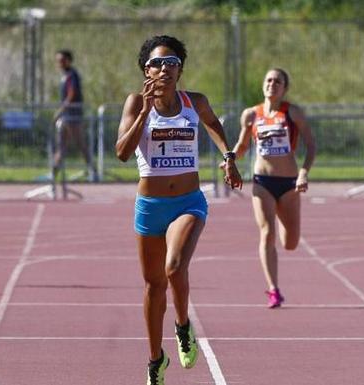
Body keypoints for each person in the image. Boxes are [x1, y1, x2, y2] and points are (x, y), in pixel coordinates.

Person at [115, 35, 242, 385]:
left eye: (171, 62)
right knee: (153, 286)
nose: (164, 69)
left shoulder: (194, 102)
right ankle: (156, 359)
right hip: (150, 205)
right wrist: (143, 112)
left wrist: (228, 157)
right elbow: (123, 153)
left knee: (174, 267)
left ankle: (183, 325)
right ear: (146, 69)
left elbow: (214, 124)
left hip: (188, 201)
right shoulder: (134, 103)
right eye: (157, 63)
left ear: (180, 69)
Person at [230, 68, 315, 308]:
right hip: (262, 182)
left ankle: (282, 217)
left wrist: (303, 173)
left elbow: (311, 145)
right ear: (263, 85)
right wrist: (230, 158)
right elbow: (243, 145)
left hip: (289, 185)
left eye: (277, 81)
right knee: (267, 233)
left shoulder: (293, 113)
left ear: (284, 88)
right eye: (268, 80)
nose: (272, 84)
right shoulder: (251, 115)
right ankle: (273, 289)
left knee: (290, 243)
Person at [54, 49, 95, 180]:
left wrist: (60, 110)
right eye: (58, 61)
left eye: (62, 60)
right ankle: (53, 173)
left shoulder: (72, 75)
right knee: (61, 145)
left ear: (68, 61)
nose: (59, 63)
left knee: (80, 144)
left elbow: (71, 94)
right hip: (66, 117)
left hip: (73, 116)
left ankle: (93, 171)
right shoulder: (64, 75)